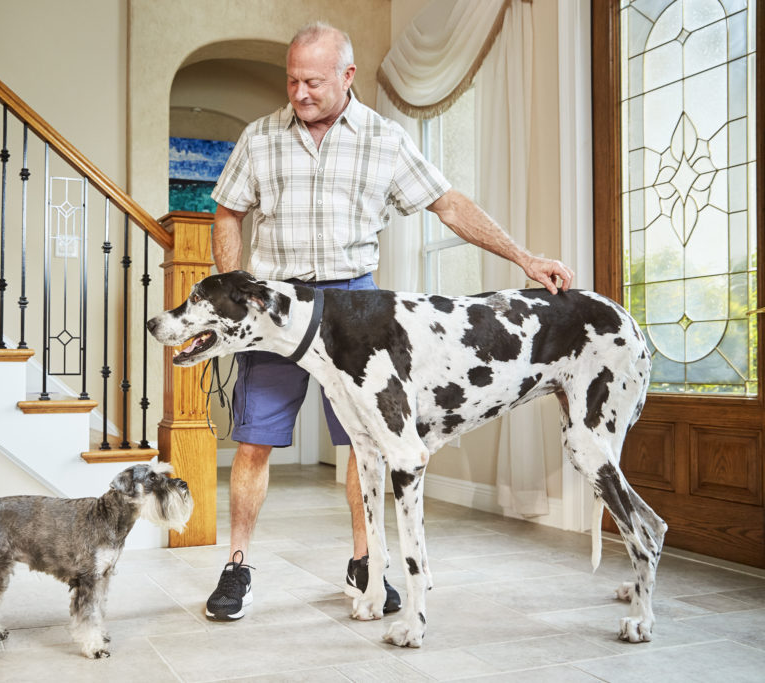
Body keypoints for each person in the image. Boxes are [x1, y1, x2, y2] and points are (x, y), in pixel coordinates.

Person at [204, 21, 574, 622]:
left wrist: (525, 258)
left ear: (347, 77)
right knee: (254, 440)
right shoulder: (260, 137)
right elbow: (227, 213)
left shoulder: (385, 139)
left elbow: (448, 203)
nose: (299, 93)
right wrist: (237, 287)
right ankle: (238, 565)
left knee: (364, 444)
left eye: (314, 82)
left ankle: (366, 562)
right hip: (277, 306)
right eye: (293, 80)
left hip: (356, 306)